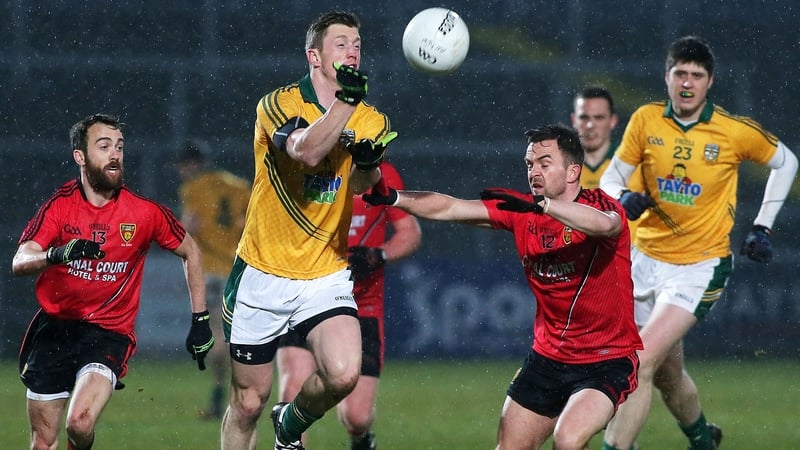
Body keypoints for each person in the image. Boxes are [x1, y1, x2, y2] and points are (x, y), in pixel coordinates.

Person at [363, 124, 643, 450]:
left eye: (544, 163)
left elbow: (605, 225)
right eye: (529, 164)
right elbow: (451, 207)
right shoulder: (524, 211)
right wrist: (396, 198)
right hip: (548, 359)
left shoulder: (601, 206)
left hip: (606, 360)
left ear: (572, 171)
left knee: (567, 440)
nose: (533, 171)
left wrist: (544, 207)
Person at [599, 36, 798, 450]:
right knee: (668, 375)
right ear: (667, 77)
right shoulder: (645, 121)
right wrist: (623, 197)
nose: (687, 83)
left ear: (709, 82)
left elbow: (786, 161)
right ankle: (704, 440)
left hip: (697, 268)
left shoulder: (731, 131)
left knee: (638, 362)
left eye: (696, 75)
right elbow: (609, 177)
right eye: (680, 74)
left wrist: (762, 226)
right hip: (643, 261)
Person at [219, 10, 399, 450]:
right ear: (314, 56)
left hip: (325, 271)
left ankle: (290, 425)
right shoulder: (278, 103)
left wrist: (370, 165)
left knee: (343, 374)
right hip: (262, 271)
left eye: (357, 43)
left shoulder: (371, 118)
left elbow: (359, 186)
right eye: (341, 43)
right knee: (247, 402)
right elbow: (305, 151)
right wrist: (345, 106)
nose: (353, 50)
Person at [12, 113, 214, 450]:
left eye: (119, 146)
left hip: (107, 335)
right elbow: (20, 261)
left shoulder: (144, 212)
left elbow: (191, 251)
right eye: (103, 146)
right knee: (43, 442)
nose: (115, 154)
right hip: (54, 332)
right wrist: (58, 254)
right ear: (80, 156)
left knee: (79, 423)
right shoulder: (60, 207)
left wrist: (200, 318)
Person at [276, 160, 422, 449]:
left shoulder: (383, 174)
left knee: (357, 417)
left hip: (361, 306)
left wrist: (377, 255)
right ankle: (290, 442)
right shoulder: (306, 166)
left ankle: (361, 439)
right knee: (294, 385)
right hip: (305, 296)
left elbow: (410, 233)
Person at [175, 138, 251, 419]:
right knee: (234, 335)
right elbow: (248, 224)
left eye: (183, 165)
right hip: (235, 269)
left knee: (216, 336)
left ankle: (225, 402)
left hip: (208, 269)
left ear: (192, 164)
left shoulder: (193, 189)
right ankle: (234, 397)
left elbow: (188, 226)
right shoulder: (239, 185)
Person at [571, 86, 619, 190]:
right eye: (584, 117)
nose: (590, 125)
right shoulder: (561, 165)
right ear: (574, 120)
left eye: (599, 118)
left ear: (613, 121)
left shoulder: (629, 162)